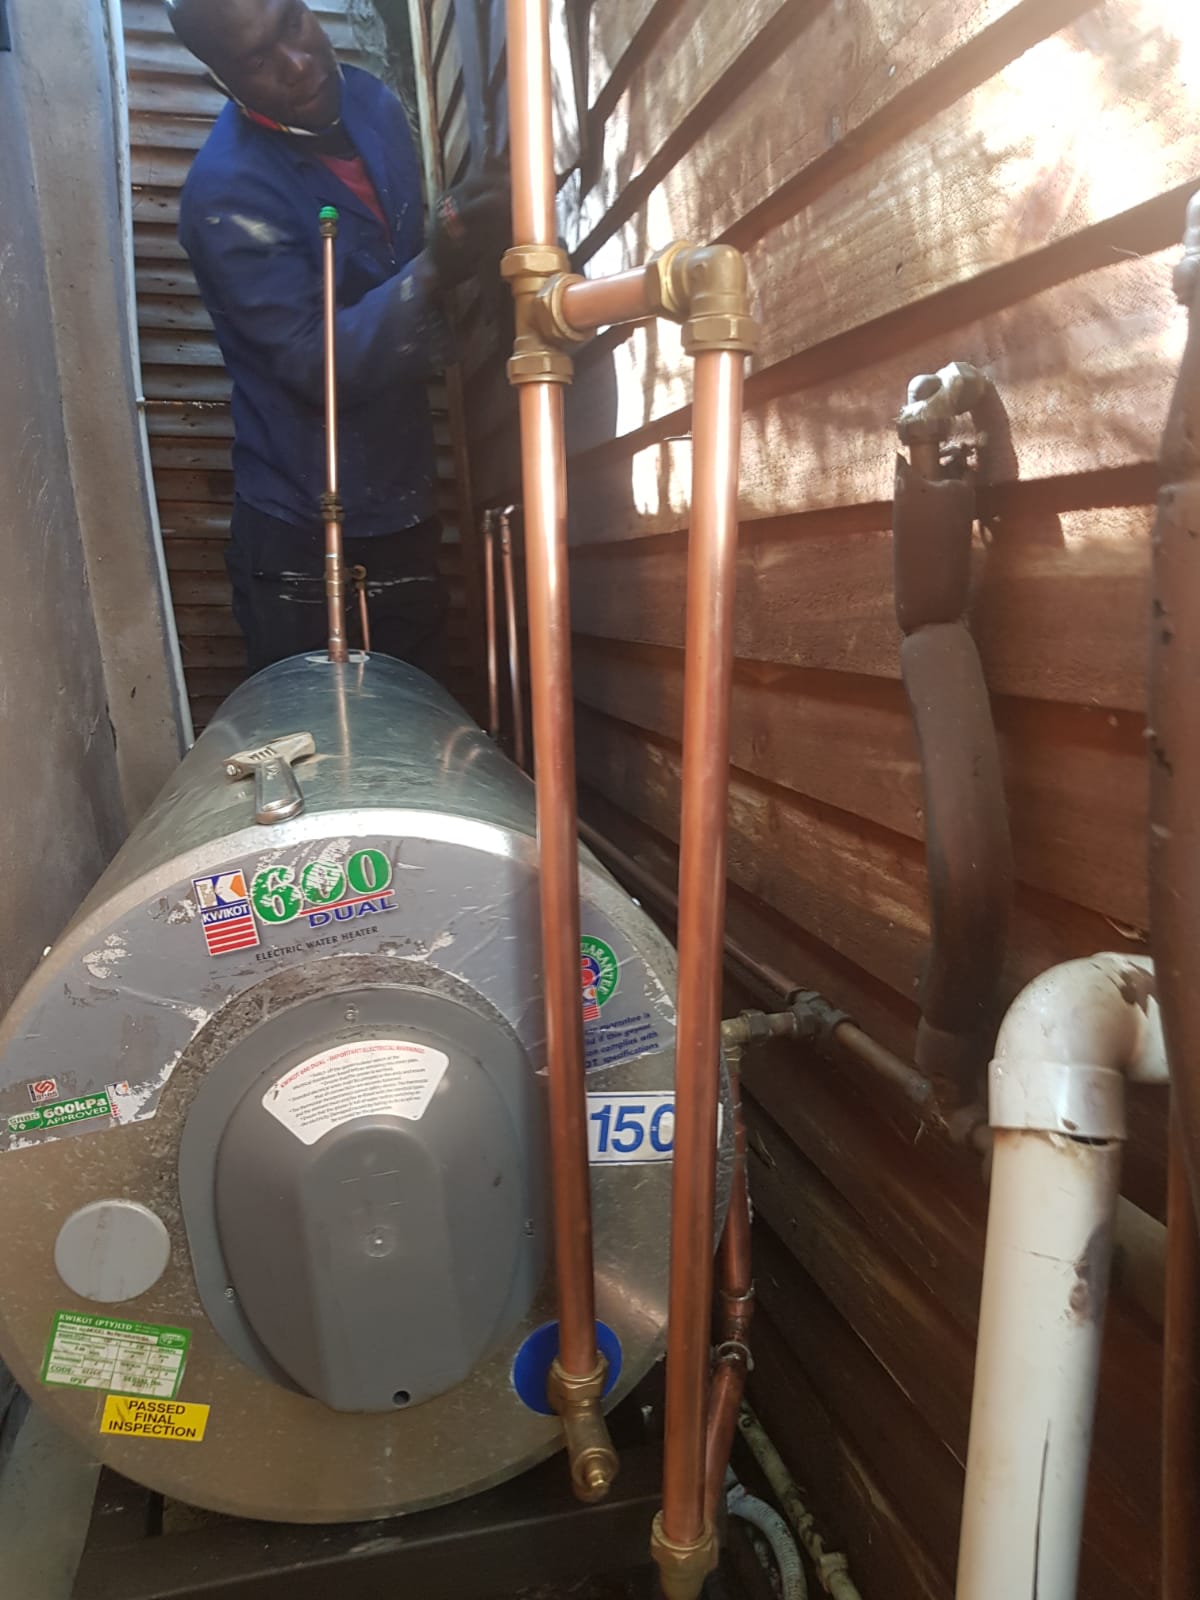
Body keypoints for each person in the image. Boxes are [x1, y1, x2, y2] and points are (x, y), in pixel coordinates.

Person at [166, 0, 508, 674]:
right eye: (257, 59)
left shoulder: (373, 106)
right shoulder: (225, 197)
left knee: (413, 718)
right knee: (315, 734)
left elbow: (396, 257)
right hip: (301, 529)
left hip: (402, 499)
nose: (297, 63)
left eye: (292, 23)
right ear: (222, 79)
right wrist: (437, 266)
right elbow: (313, 361)